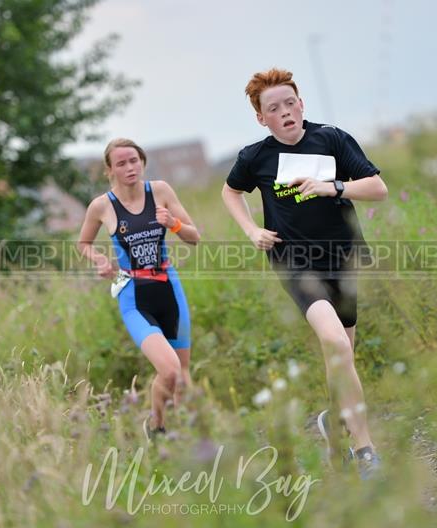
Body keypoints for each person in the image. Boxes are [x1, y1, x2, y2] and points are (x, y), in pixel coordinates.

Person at [221, 68, 388, 478]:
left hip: (343, 257)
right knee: (336, 345)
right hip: (293, 260)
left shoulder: (331, 138)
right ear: (262, 118)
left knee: (345, 353)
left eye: (290, 103)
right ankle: (364, 449)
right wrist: (251, 230)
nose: (285, 112)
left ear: (301, 105)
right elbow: (230, 192)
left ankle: (335, 417)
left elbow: (377, 188)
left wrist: (332, 187)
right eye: (273, 108)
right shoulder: (254, 157)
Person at [78, 138, 200, 441]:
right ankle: (157, 426)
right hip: (133, 295)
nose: (129, 167)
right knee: (169, 370)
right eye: (121, 163)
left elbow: (194, 236)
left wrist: (172, 223)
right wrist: (100, 260)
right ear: (110, 170)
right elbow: (83, 244)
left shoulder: (160, 191)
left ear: (142, 161)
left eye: (134, 160)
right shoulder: (102, 206)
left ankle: (181, 439)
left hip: (169, 288)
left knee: (182, 377)